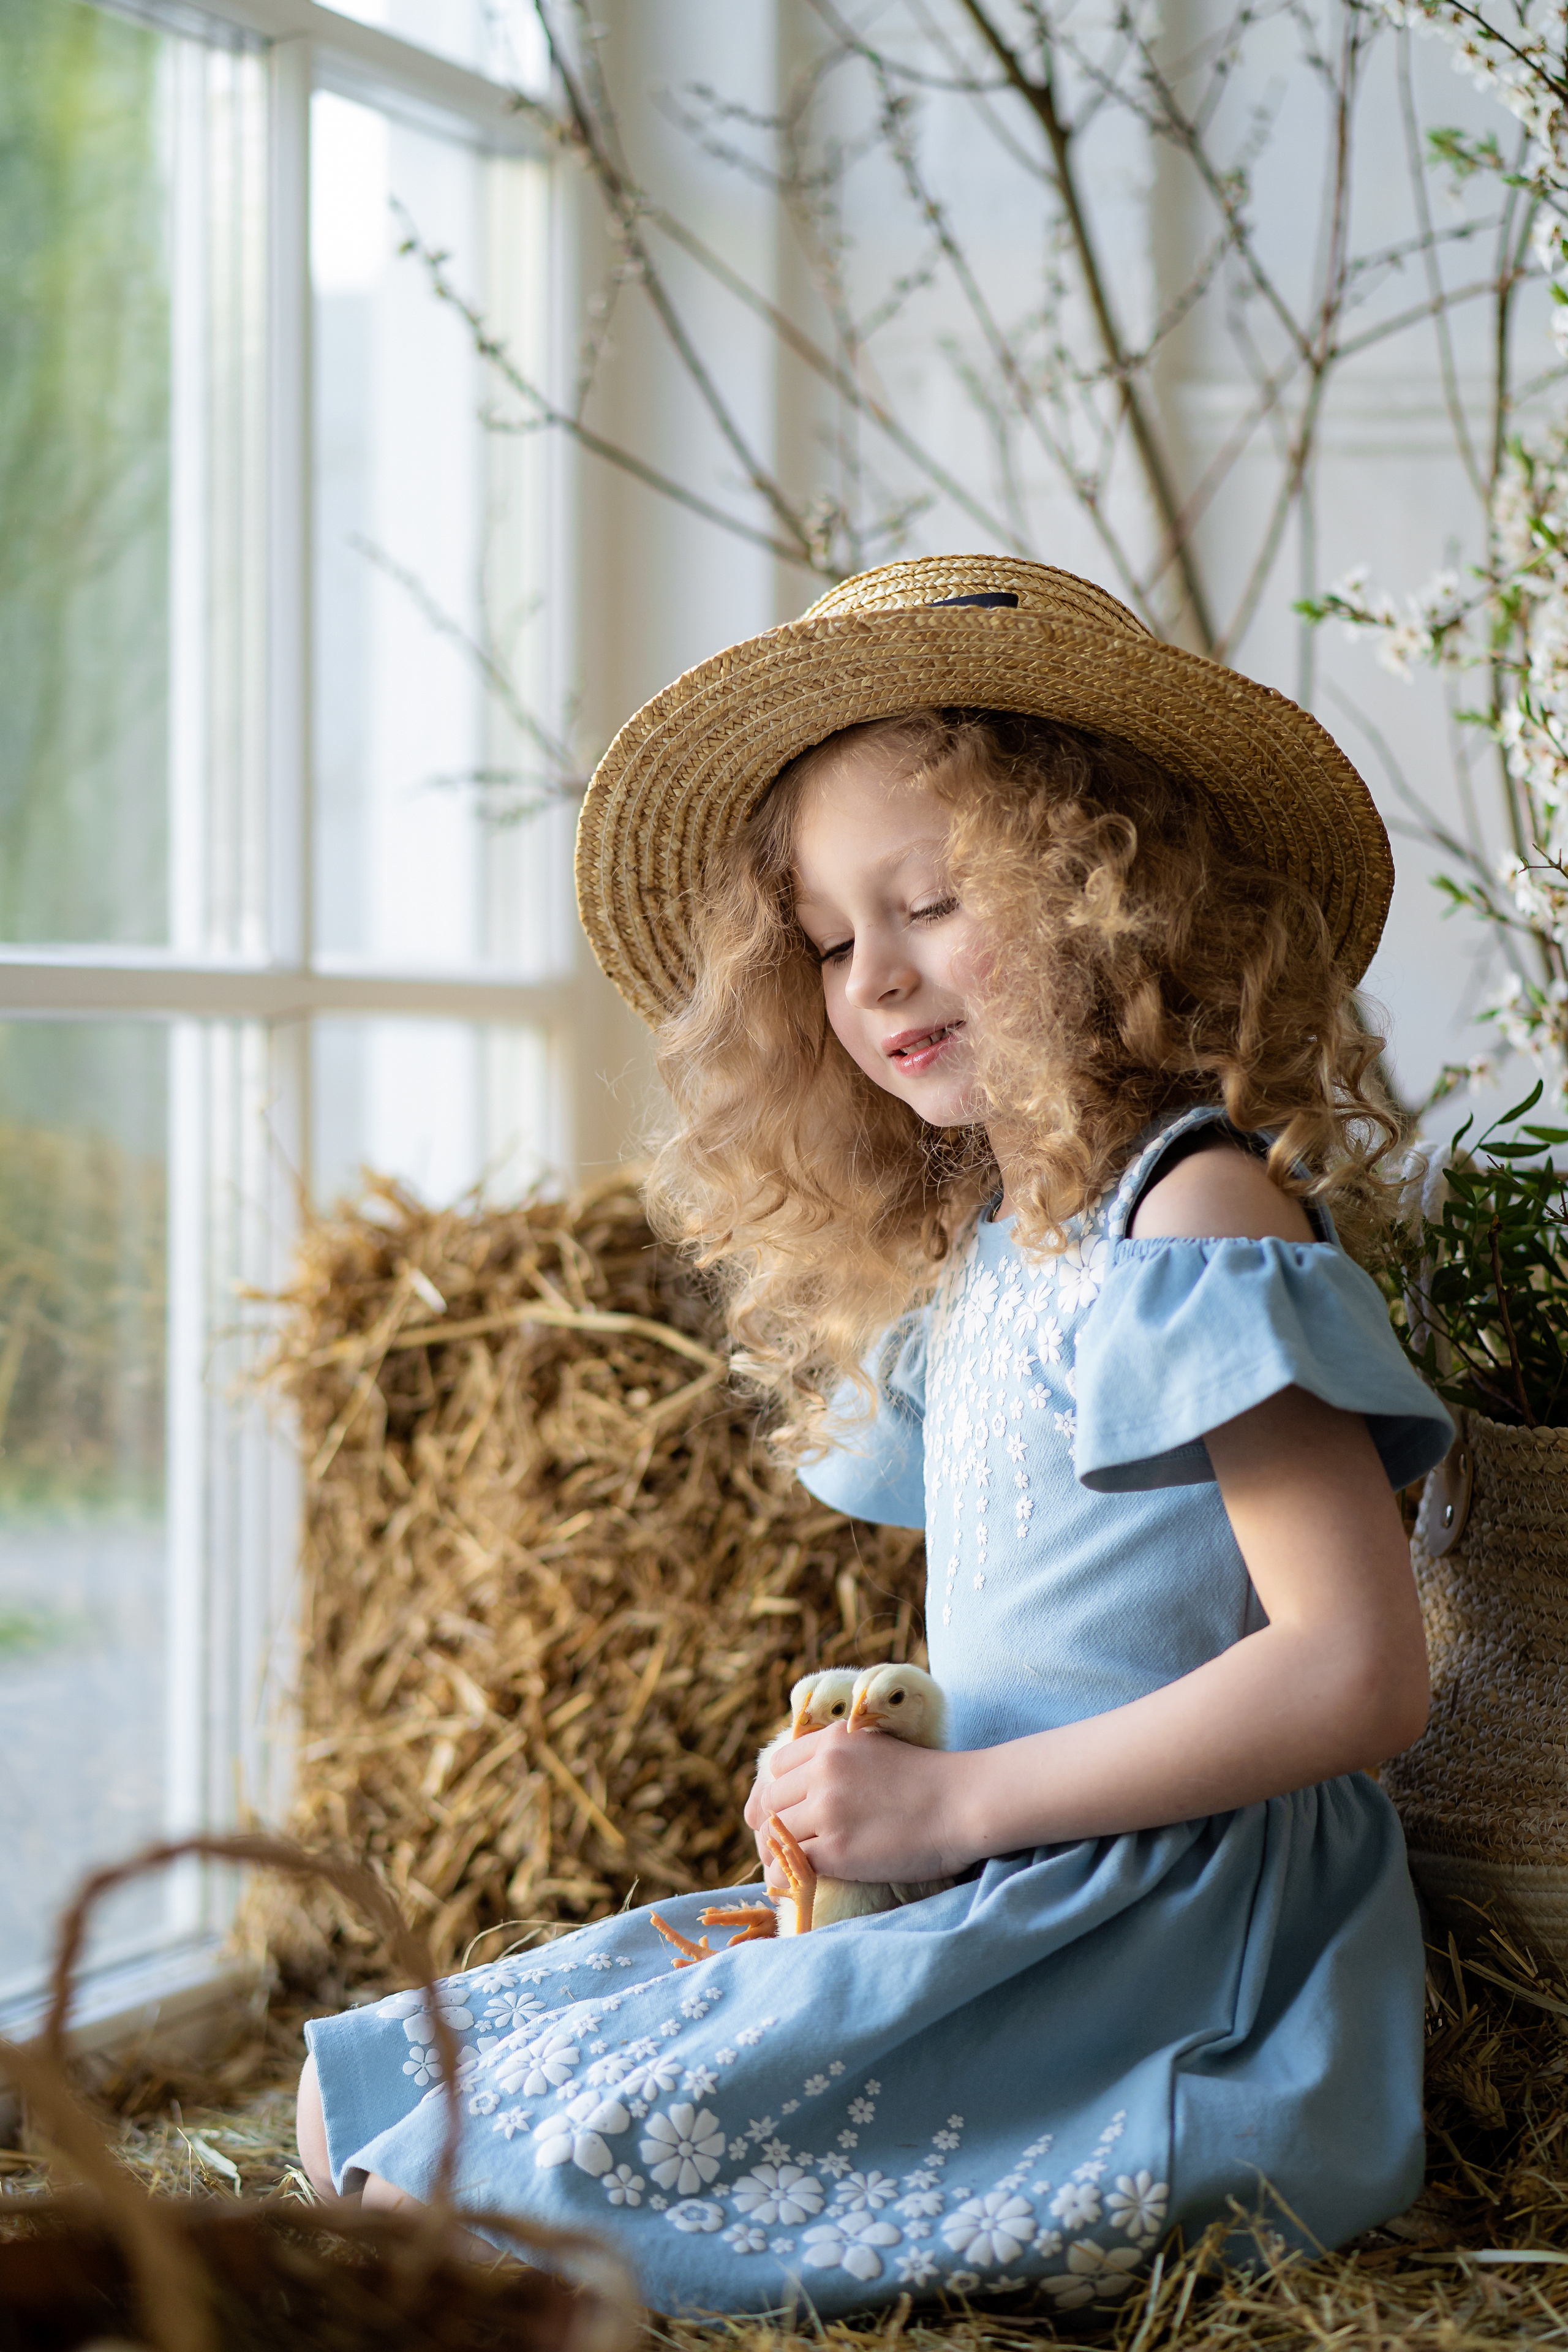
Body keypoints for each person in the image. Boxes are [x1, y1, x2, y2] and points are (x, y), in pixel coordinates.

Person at [296, 556, 1453, 2318]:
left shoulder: (1197, 1223)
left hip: (1174, 1954)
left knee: (489, 2181)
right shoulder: (1003, 1242)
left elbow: (1359, 1676)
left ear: (1110, 905)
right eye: (835, 942)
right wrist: (869, 1772)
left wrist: (961, 1795)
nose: (879, 977)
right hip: (1001, 1875)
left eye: (930, 902)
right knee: (374, 2092)